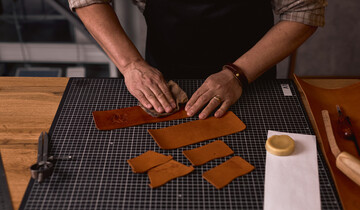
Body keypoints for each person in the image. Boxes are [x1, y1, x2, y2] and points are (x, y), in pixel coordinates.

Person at [69, 0, 327, 119]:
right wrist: (130, 64)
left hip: (252, 79)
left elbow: (304, 10)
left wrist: (237, 74)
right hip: (166, 78)